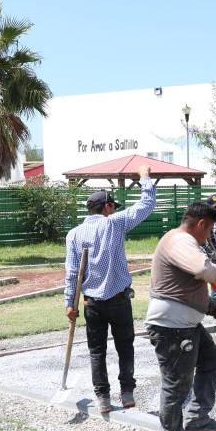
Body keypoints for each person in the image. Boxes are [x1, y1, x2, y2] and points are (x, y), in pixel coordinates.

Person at [65, 164, 157, 414]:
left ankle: (102, 397)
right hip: (118, 299)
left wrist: (69, 303)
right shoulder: (114, 224)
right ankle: (127, 392)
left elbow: (73, 273)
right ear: (106, 207)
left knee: (97, 351)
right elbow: (146, 205)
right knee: (125, 347)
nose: (114, 209)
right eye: (113, 205)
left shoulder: (73, 235)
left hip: (91, 303)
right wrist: (145, 177)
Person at [146, 201, 216, 431]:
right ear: (201, 224)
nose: (208, 237)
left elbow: (189, 290)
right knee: (176, 386)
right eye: (209, 231)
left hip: (185, 324)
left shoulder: (184, 243)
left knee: (211, 360)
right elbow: (202, 270)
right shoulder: (180, 241)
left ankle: (196, 418)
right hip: (172, 328)